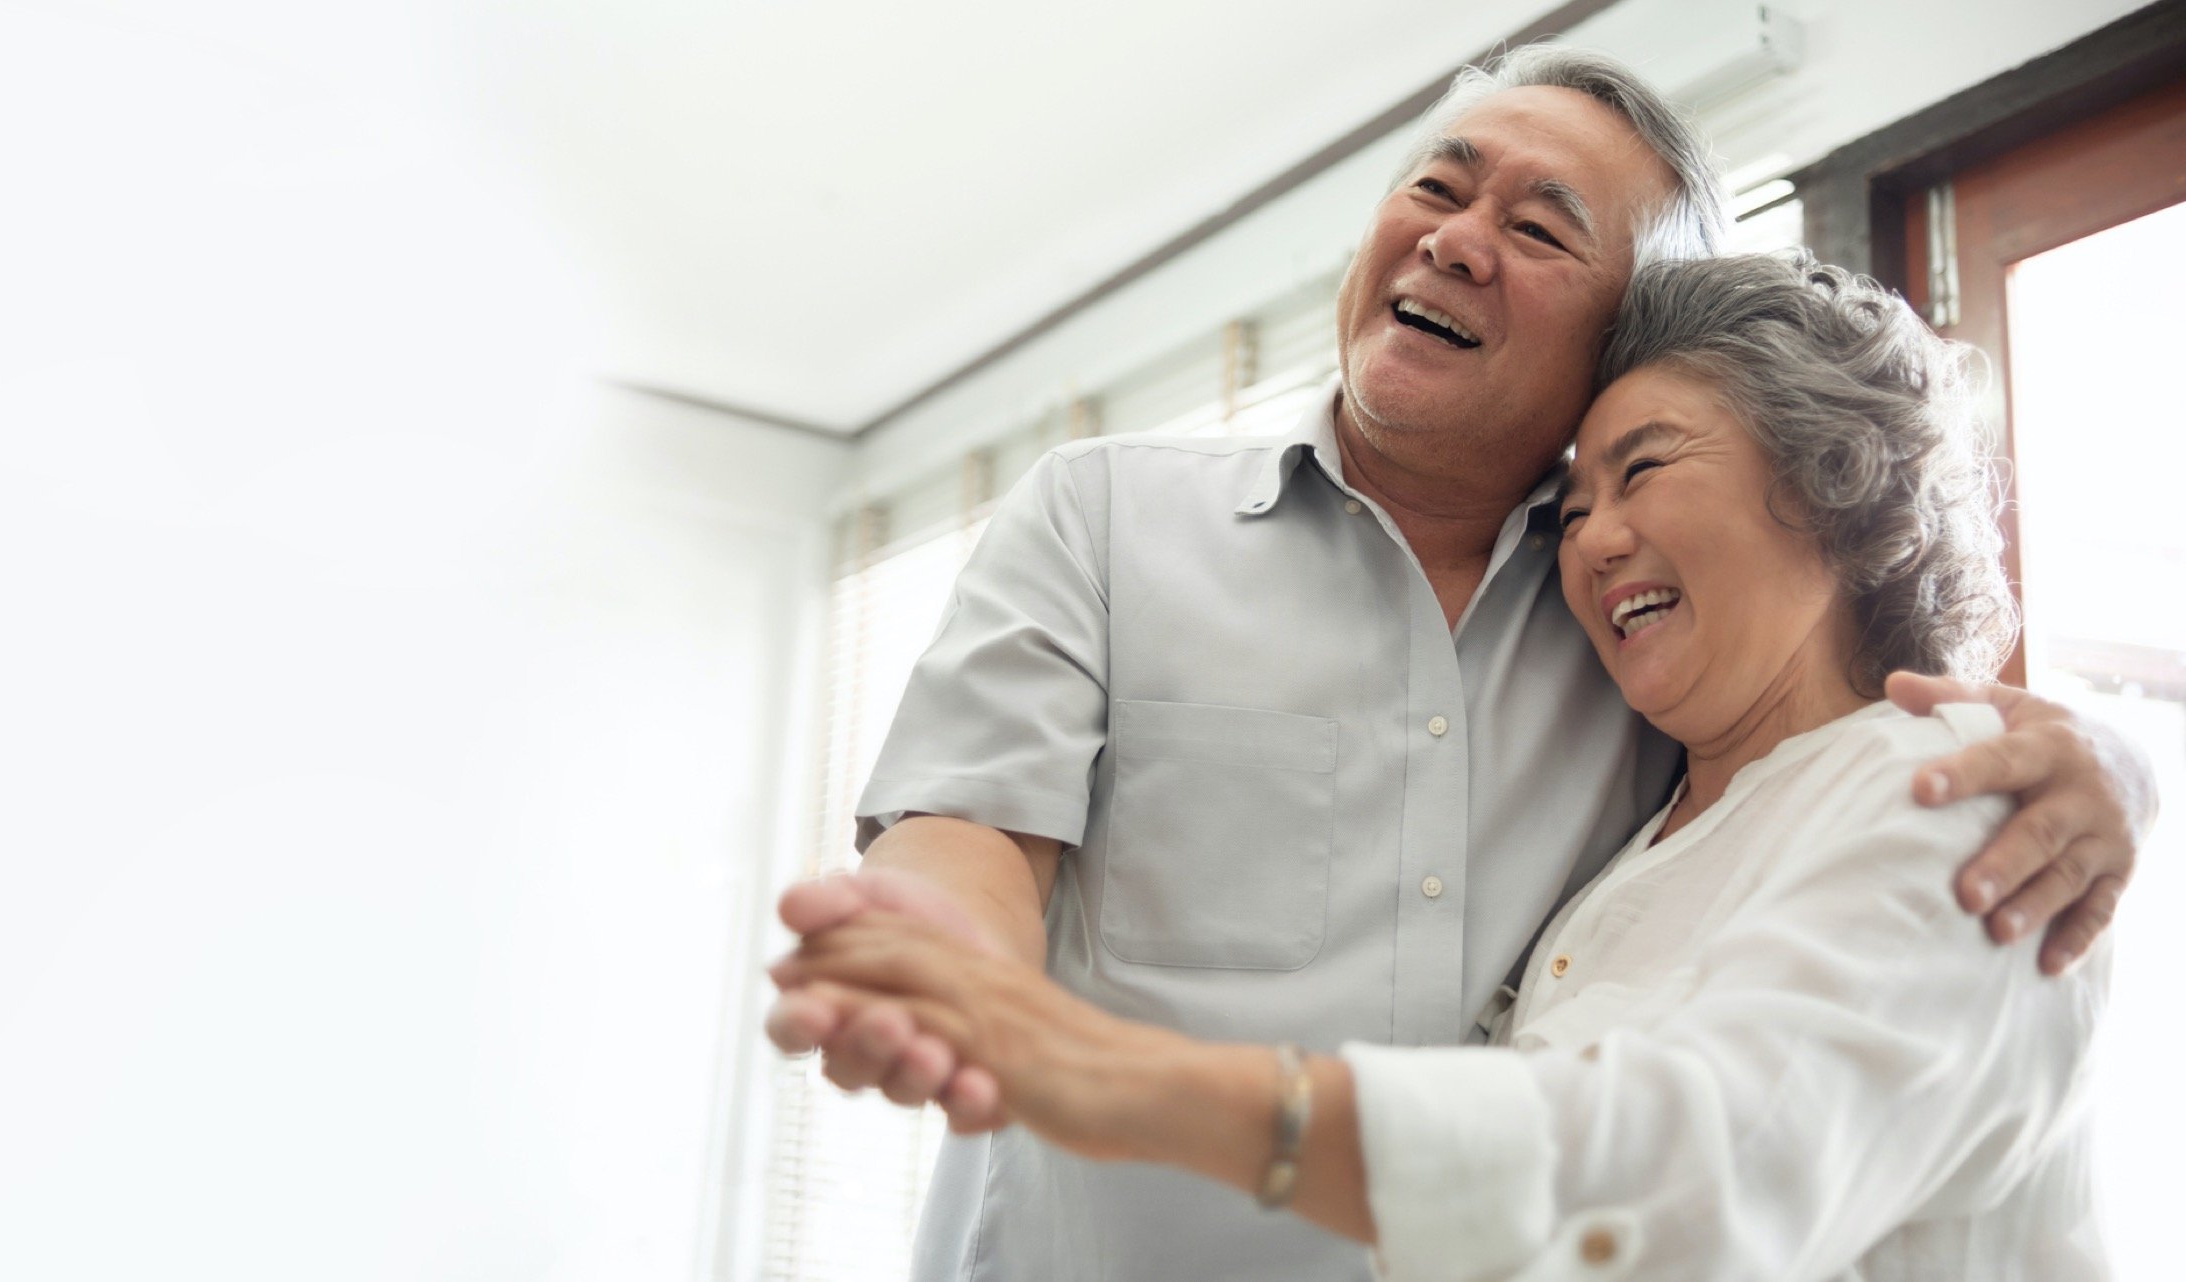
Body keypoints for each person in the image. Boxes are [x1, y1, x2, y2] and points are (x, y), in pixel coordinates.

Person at [763, 44, 2154, 1281]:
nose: (1457, 241)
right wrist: (955, 965)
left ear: (1623, 345)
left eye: (1541, 228)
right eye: (1438, 188)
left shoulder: (1699, 675)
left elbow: (1720, 1113)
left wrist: (2109, 761)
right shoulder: (1103, 511)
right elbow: (967, 829)